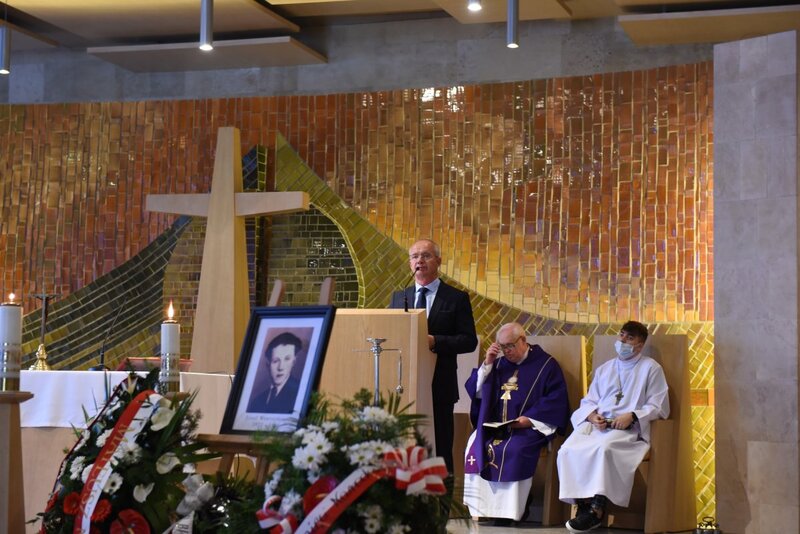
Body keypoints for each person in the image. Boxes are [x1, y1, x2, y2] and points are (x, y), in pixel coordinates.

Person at [557, 320, 669, 533]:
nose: (623, 341)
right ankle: (582, 506)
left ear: (640, 344)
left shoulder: (651, 368)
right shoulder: (605, 369)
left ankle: (597, 511)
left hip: (627, 430)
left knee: (604, 449)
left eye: (630, 338)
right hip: (599, 425)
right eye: (622, 335)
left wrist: (633, 415)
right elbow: (589, 400)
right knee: (567, 449)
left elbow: (658, 405)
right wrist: (591, 416)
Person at [462, 322, 570, 525]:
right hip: (496, 427)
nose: (506, 351)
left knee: (514, 449)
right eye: (502, 347)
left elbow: (556, 400)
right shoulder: (499, 364)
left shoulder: (547, 365)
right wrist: (488, 363)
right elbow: (476, 391)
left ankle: (511, 511)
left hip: (526, 428)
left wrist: (528, 420)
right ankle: (485, 508)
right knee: (475, 444)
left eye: (510, 346)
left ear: (523, 340)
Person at [389, 238, 478, 473]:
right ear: (410, 264)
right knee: (404, 447)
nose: (419, 260)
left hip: (439, 385)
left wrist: (435, 341)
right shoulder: (399, 297)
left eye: (426, 255)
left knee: (440, 448)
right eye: (414, 256)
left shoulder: (455, 298)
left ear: (438, 261)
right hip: (403, 386)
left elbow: (469, 341)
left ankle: (442, 507)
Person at [247, 332, 303, 414]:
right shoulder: (256, 402)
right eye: (275, 361)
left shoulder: (301, 394)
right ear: (268, 365)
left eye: (287, 359)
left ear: (293, 362)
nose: (280, 367)